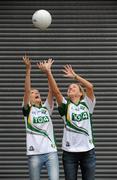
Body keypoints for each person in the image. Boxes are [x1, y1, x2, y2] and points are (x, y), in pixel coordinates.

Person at [38, 59, 96, 180]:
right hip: (69, 153)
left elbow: (90, 86)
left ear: (81, 93)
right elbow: (56, 92)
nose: (70, 88)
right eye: (69, 88)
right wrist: (48, 72)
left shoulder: (87, 104)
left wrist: (75, 76)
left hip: (88, 152)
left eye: (74, 87)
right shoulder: (65, 106)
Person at [22, 55, 59, 180]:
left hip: (51, 153)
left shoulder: (46, 108)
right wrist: (28, 70)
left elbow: (52, 90)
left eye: (37, 92)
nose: (36, 93)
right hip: (34, 154)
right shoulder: (28, 110)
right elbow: (26, 91)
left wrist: (48, 71)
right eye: (33, 93)